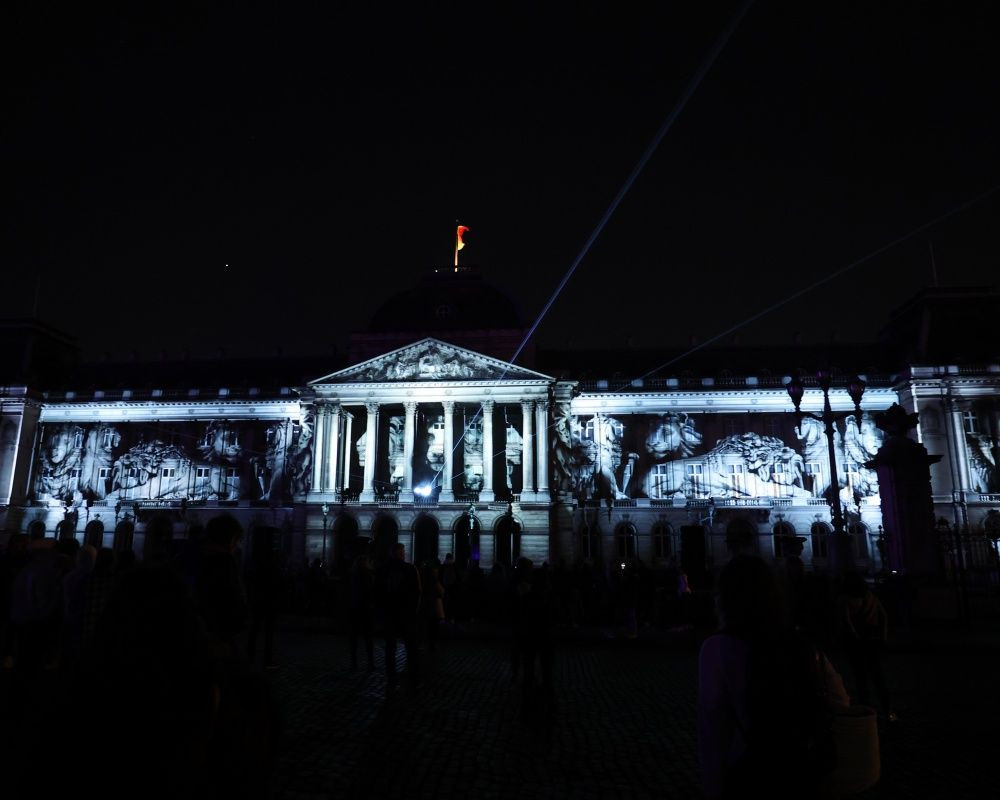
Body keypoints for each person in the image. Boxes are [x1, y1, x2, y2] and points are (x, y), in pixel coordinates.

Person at [698, 555, 850, 800]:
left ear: (726, 600)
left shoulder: (717, 649)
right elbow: (840, 701)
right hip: (801, 770)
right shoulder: (801, 643)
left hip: (749, 771)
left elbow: (713, 730)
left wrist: (713, 787)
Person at [839, 571, 895, 722]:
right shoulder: (871, 596)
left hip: (858, 642)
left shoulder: (847, 600)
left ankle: (867, 709)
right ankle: (887, 709)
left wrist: (855, 636)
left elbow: (847, 621)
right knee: (877, 676)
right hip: (873, 639)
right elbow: (883, 615)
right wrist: (883, 636)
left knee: (861, 678)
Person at [376, 542, 421, 690]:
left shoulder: (383, 569)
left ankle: (392, 676)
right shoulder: (409, 569)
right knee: (410, 646)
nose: (402, 555)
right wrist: (414, 610)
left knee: (391, 647)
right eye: (401, 552)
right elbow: (417, 592)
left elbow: (378, 592)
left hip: (391, 612)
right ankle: (413, 675)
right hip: (405, 613)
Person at [349, 553, 375, 672]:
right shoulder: (368, 575)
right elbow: (371, 591)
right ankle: (370, 662)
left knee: (355, 637)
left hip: (357, 608)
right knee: (367, 637)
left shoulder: (354, 575)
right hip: (365, 608)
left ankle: (354, 661)